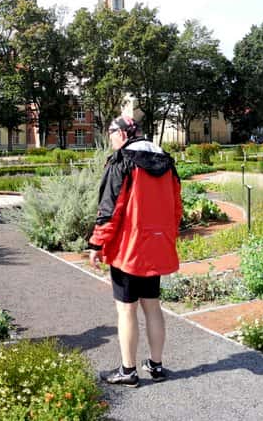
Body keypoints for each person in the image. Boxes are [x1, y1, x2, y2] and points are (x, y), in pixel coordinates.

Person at [88, 115, 182, 387]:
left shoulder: (122, 161)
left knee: (126, 309)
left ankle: (128, 371)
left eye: (110, 133)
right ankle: (156, 365)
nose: (110, 139)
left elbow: (110, 209)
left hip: (128, 250)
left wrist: (97, 243)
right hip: (155, 246)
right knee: (152, 306)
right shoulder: (166, 161)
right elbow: (176, 207)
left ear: (122, 134)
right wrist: (165, 237)